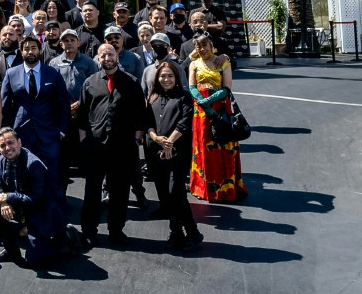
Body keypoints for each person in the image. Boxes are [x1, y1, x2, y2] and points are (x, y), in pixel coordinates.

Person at [77, 43, 147, 247]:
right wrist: (83, 139)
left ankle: (116, 230)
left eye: (110, 53)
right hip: (95, 146)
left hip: (122, 147)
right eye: (102, 55)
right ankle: (89, 230)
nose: (106, 57)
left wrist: (135, 139)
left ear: (117, 56)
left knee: (119, 192)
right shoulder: (90, 82)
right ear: (97, 59)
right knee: (92, 191)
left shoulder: (131, 82)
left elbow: (140, 114)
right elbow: (82, 113)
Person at [0, 35, 71, 195]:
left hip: (48, 135)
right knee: (23, 176)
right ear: (21, 51)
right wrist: (7, 131)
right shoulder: (11, 74)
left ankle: (55, 213)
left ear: (39, 50)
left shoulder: (52, 73)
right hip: (21, 135)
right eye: (26, 48)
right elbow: (5, 106)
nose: (30, 51)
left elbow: (64, 104)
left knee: (52, 176)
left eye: (33, 48)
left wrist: (61, 130)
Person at [0, 127, 63, 269]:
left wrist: (9, 196)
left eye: (11, 143)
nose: (7, 148)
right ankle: (10, 250)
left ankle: (61, 242)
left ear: (19, 142)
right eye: (2, 145)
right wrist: (3, 202)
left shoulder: (34, 164)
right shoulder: (2, 159)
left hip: (40, 212)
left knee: (34, 261)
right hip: (21, 207)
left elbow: (36, 199)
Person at [146, 61, 201, 249]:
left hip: (178, 152)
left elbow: (185, 121)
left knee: (175, 193)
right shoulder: (152, 97)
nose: (166, 79)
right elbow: (147, 122)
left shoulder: (184, 97)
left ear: (176, 78)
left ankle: (187, 232)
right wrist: (155, 137)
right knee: (167, 196)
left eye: (170, 76)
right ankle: (180, 232)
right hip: (157, 152)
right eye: (162, 76)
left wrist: (169, 141)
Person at [187, 35, 247, 203]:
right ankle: (203, 187)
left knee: (223, 144)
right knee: (203, 146)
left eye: (205, 45)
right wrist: (202, 102)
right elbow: (192, 86)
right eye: (198, 46)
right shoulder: (194, 64)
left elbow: (227, 88)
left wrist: (210, 101)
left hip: (220, 107)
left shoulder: (223, 63)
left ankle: (225, 187)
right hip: (201, 111)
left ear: (212, 45)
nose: (202, 49)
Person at [48, 28, 97, 185]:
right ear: (61, 44)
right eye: (66, 41)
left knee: (88, 159)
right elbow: (50, 89)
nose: (69, 43)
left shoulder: (88, 62)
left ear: (78, 42)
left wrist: (80, 103)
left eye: (72, 40)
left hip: (84, 115)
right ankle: (61, 200)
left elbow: (95, 86)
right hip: (62, 116)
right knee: (63, 160)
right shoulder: (54, 63)